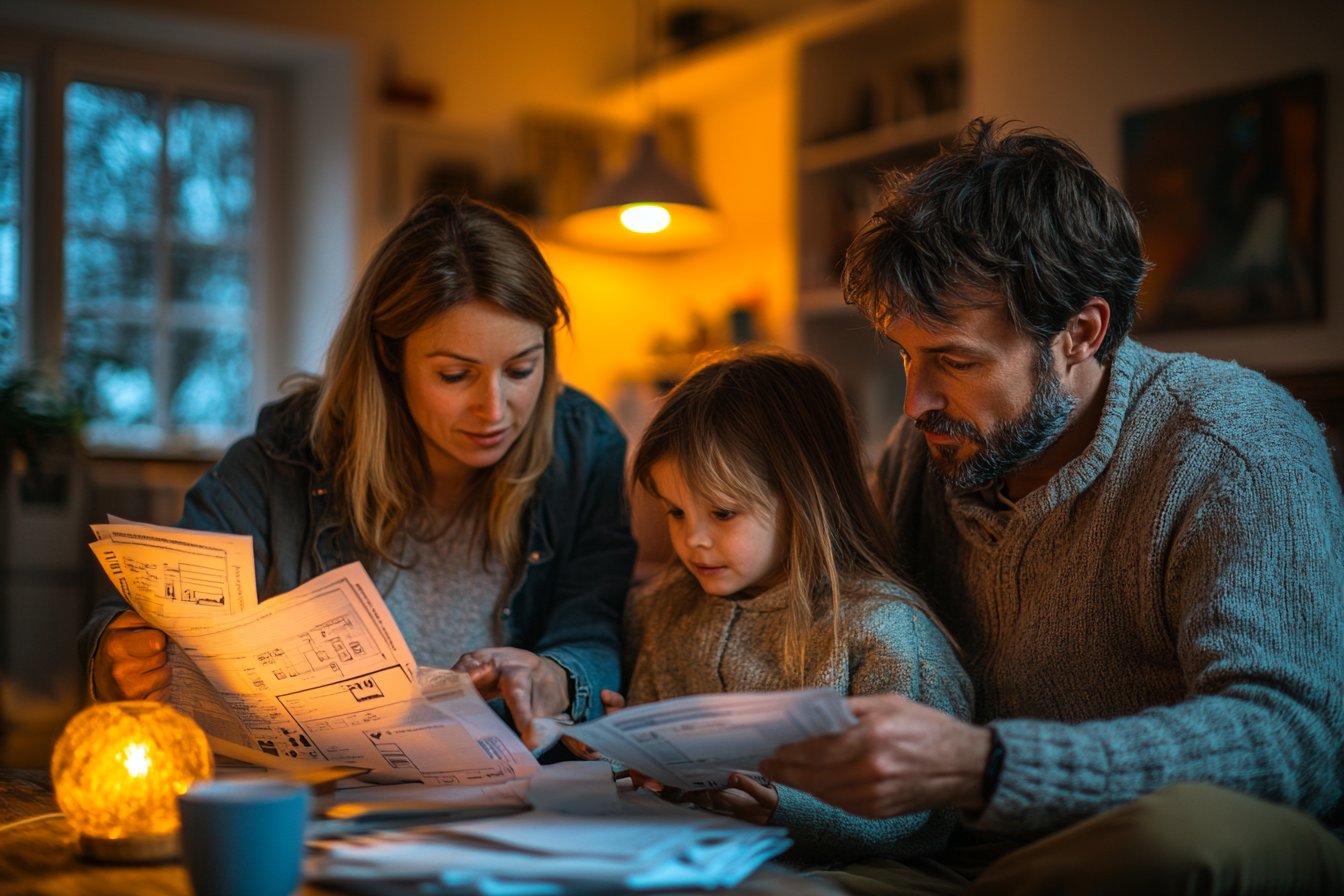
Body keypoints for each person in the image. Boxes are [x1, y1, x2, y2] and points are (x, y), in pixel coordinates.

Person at [760, 118, 1344, 894]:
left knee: (1182, 840)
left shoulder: (1231, 446)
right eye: (905, 354)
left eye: (954, 360)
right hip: (964, 855)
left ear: (1080, 332)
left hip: (1138, 846)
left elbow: (1292, 736)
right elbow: (849, 625)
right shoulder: (928, 449)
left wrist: (989, 767)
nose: (914, 401)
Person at [78, 194, 637, 748]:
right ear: (389, 355)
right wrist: (115, 656)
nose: (494, 409)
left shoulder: (584, 449)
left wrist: (555, 677)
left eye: (520, 369)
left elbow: (592, 629)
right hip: (330, 806)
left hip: (518, 802)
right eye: (454, 376)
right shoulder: (288, 456)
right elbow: (142, 607)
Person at [615, 345, 972, 863]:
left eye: (722, 512)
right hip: (678, 859)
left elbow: (921, 811)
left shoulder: (885, 632)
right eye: (674, 511)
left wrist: (784, 809)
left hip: (842, 872)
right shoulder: (663, 608)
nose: (693, 540)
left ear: (805, 498)